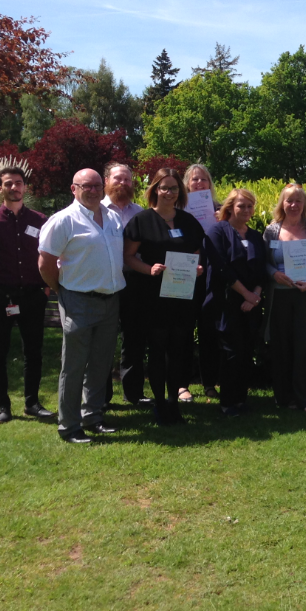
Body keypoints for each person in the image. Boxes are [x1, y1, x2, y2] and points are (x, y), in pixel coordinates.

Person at [38, 169, 125, 444]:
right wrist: (61, 289)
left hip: (110, 300)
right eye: (86, 186)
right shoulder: (64, 220)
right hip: (78, 300)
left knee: (100, 363)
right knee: (74, 365)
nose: (93, 190)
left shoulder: (111, 217)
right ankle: (69, 425)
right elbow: (45, 263)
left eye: (98, 185)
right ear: (73, 189)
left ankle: (93, 416)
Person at [0, 166, 53, 425]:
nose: (14, 187)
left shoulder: (40, 221)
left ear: (25, 187)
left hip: (32, 297)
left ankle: (32, 403)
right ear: (0, 188)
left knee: (34, 352)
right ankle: (3, 406)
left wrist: (48, 287)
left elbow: (52, 255)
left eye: (18, 183)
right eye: (8, 183)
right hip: (0, 298)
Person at [123, 168, 205, 425]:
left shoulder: (188, 221)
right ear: (155, 190)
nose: (169, 193)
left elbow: (196, 253)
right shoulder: (141, 220)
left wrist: (198, 267)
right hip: (152, 297)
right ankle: (159, 403)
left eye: (174, 188)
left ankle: (173, 402)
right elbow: (128, 257)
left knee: (179, 350)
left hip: (181, 297)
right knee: (158, 351)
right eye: (165, 187)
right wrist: (149, 269)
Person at [262, 184, 306, 412]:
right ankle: (284, 398)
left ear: (304, 205)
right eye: (289, 200)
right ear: (282, 203)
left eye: (298, 201)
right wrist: (274, 274)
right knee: (281, 347)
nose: (293, 205)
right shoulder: (271, 231)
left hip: (305, 295)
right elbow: (264, 263)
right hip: (278, 297)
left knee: (304, 347)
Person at [204, 188, 266, 416]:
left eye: (250, 206)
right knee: (231, 351)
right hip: (227, 302)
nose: (247, 210)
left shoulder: (256, 236)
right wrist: (246, 294)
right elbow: (222, 269)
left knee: (246, 350)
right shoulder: (217, 231)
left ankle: (241, 399)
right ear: (230, 207)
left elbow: (262, 270)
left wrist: (255, 295)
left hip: (251, 304)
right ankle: (228, 402)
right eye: (242, 205)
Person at [100, 161, 151, 408]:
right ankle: (102, 395)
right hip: (105, 282)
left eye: (127, 179)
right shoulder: (95, 210)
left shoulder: (140, 212)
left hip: (135, 282)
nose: (123, 183)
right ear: (106, 181)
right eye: (118, 179)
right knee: (104, 340)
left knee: (134, 339)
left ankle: (133, 393)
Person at [181, 164, 221, 402]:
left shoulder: (219, 210)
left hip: (210, 276)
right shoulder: (176, 210)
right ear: (187, 184)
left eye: (203, 179)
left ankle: (209, 383)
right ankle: (181, 385)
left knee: (209, 333)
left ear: (209, 184)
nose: (199, 183)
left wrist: (221, 222)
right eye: (194, 180)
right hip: (185, 273)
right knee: (183, 332)